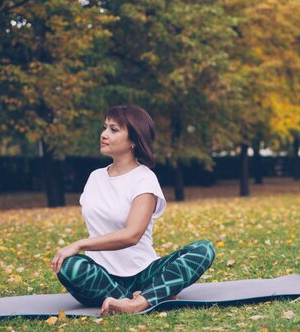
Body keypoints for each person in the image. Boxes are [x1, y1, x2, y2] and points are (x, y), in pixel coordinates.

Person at [51, 105, 215, 315]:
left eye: (114, 129)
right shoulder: (95, 177)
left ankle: (138, 303)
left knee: (204, 249)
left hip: (145, 273)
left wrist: (80, 243)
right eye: (105, 128)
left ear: (134, 141)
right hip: (103, 276)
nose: (104, 134)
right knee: (69, 266)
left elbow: (132, 235)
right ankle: (151, 295)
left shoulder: (144, 179)